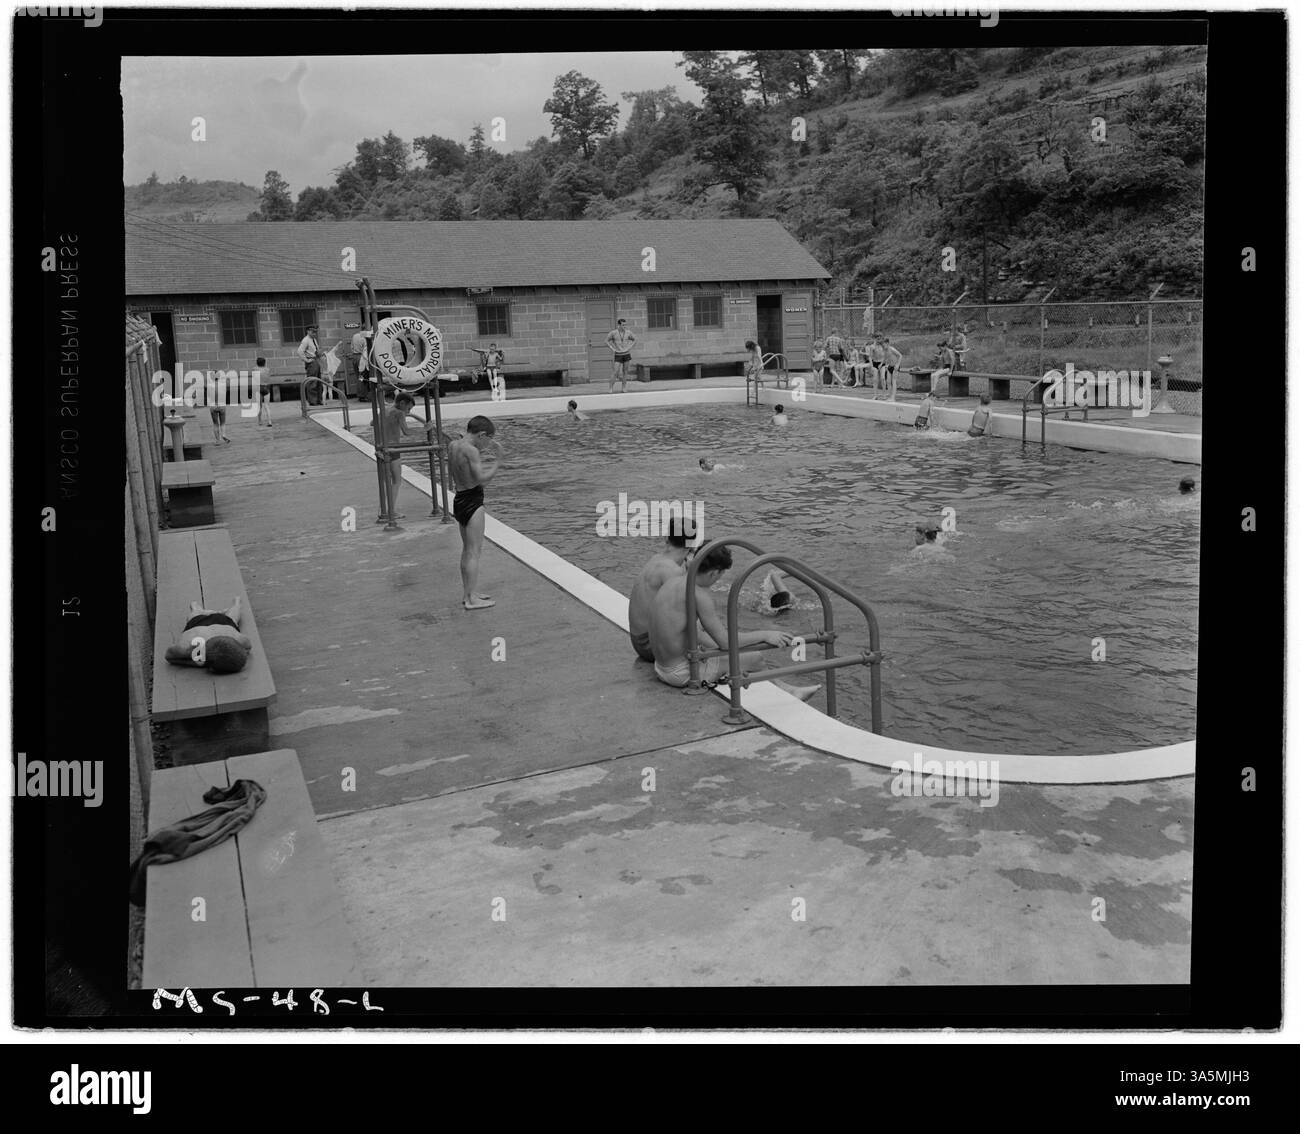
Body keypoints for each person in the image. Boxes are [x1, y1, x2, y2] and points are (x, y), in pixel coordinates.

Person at [647, 543, 819, 699]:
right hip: (681, 673)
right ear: (714, 572)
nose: (718, 580)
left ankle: (783, 688)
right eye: (720, 575)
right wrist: (765, 634)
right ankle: (788, 693)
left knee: (734, 651)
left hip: (661, 667)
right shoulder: (698, 594)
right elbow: (725, 642)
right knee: (755, 658)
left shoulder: (673, 581)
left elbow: (691, 632)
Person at [447, 415, 500, 610]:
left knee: (467, 549)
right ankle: (471, 599)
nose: (487, 445)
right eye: (488, 440)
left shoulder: (453, 445)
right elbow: (482, 480)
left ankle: (469, 592)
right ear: (481, 434)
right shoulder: (471, 450)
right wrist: (497, 462)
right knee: (474, 551)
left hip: (459, 498)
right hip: (472, 501)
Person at [627, 520, 693, 661]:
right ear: (691, 545)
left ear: (666, 538)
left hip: (637, 642)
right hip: (651, 647)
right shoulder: (673, 572)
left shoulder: (657, 559)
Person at [378, 391, 436, 521]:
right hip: (394, 450)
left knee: (386, 482)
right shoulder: (399, 413)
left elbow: (372, 422)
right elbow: (407, 432)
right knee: (397, 482)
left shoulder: (385, 410)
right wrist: (425, 428)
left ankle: (385, 510)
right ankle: (391, 512)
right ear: (402, 403)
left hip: (382, 448)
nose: (409, 412)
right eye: (408, 408)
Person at [163, 597, 252, 673]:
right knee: (194, 616)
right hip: (203, 625)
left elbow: (248, 647)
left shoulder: (236, 638)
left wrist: (196, 660)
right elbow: (168, 656)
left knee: (232, 617)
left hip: (222, 625)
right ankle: (196, 608)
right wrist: (194, 659)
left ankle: (235, 604)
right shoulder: (189, 645)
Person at [606, 318, 636, 393]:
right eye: (623, 325)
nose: (624, 326)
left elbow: (635, 340)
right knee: (615, 372)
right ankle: (610, 388)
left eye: (625, 325)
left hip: (626, 354)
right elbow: (606, 341)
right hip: (618, 354)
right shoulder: (613, 333)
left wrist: (630, 347)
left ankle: (624, 387)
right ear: (619, 325)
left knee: (625, 372)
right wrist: (612, 348)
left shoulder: (628, 332)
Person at [296, 324, 322, 405]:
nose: (315, 333)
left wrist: (320, 354)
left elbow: (315, 350)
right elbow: (300, 351)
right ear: (308, 331)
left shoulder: (313, 339)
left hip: (316, 360)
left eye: (315, 332)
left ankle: (318, 400)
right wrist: (306, 360)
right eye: (313, 331)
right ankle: (313, 401)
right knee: (312, 382)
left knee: (318, 382)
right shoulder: (306, 340)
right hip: (311, 363)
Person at [867, 334, 887, 399]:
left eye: (880, 339)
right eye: (877, 339)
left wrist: (881, 364)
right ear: (875, 339)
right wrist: (871, 366)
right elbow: (870, 357)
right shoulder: (872, 347)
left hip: (882, 363)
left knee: (883, 378)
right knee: (875, 380)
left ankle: (884, 394)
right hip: (875, 363)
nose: (879, 340)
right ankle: (875, 395)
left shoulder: (883, 346)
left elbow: (885, 356)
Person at [255, 356, 272, 427]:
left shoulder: (255, 369)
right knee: (267, 406)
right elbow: (268, 378)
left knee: (259, 406)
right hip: (266, 387)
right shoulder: (267, 369)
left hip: (258, 387)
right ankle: (269, 421)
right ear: (265, 363)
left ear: (257, 363)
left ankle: (259, 421)